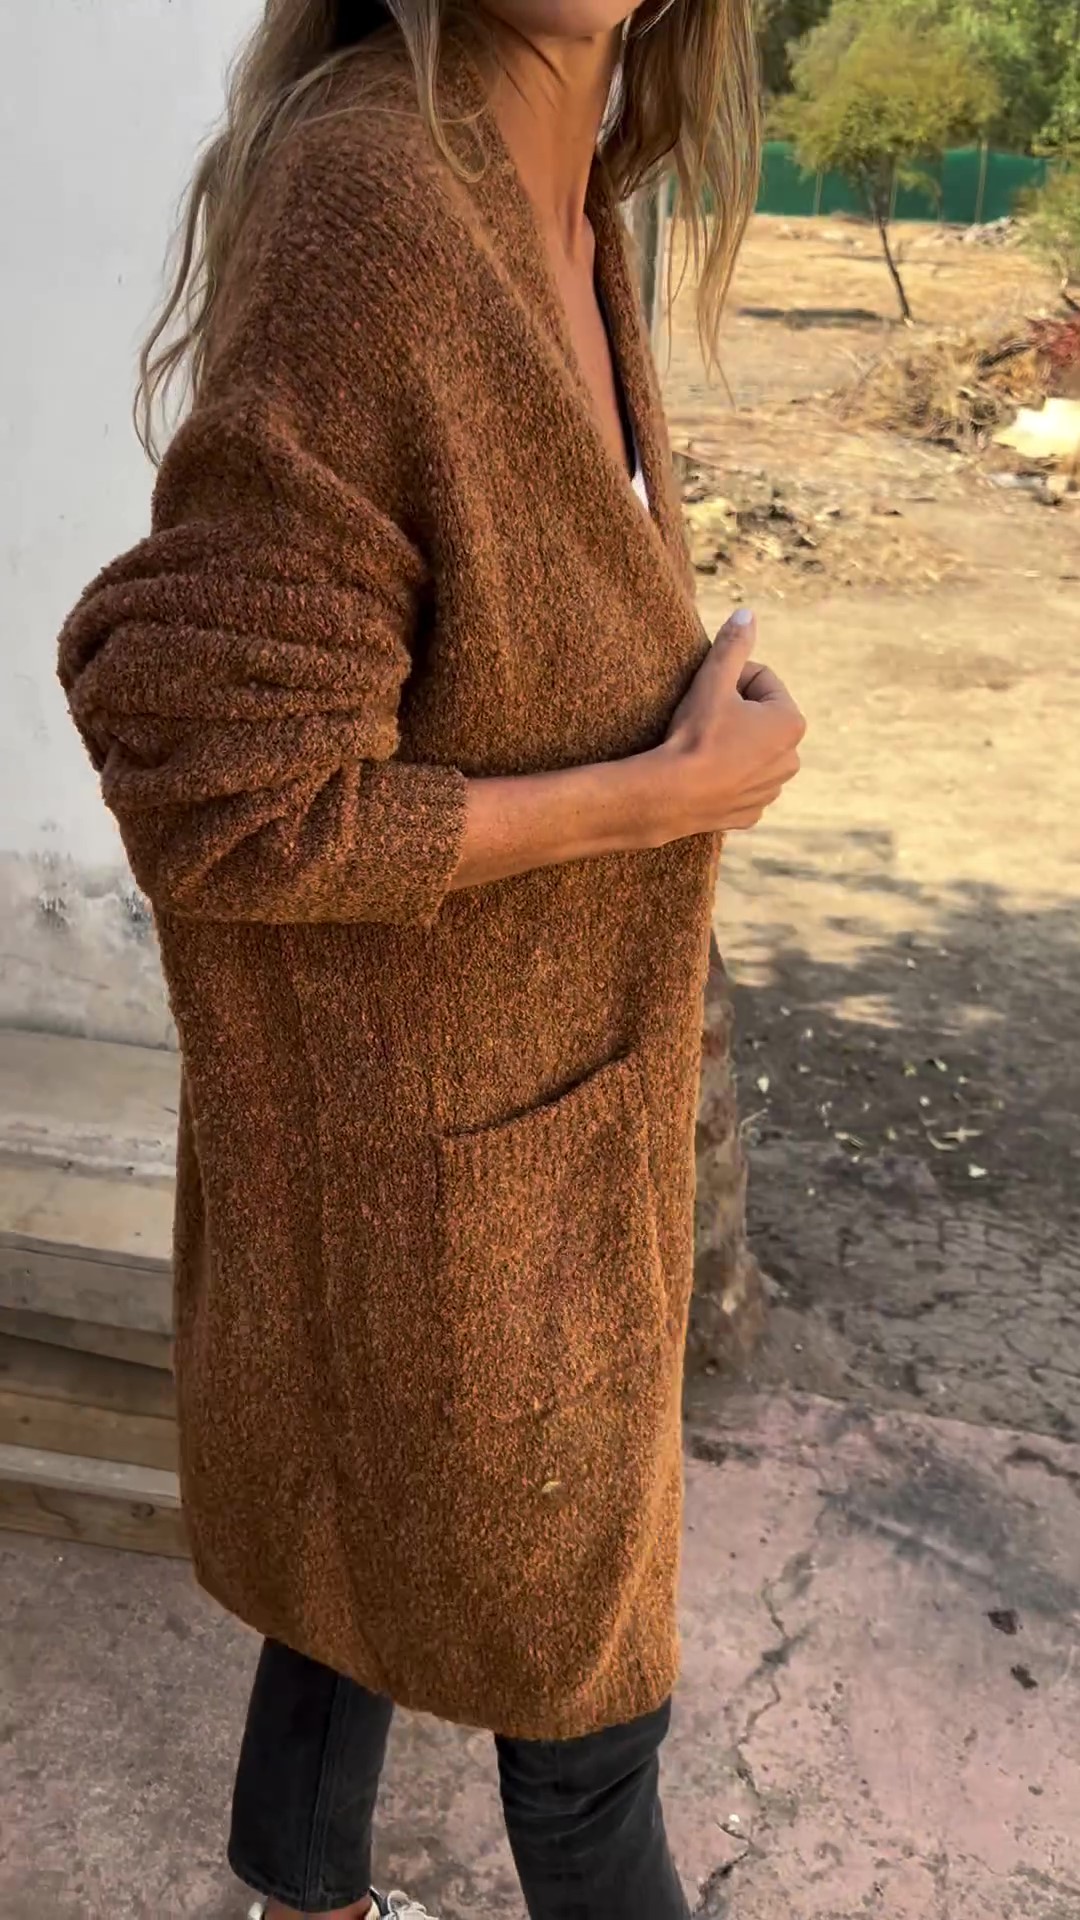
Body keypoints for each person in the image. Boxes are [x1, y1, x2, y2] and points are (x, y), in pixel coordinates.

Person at [57, 0, 804, 1914]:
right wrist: (664, 795)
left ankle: (295, 1893)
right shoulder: (377, 201)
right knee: (592, 1721)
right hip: (445, 1177)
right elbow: (228, 790)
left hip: (526, 1125)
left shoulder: (571, 188)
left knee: (345, 1551)